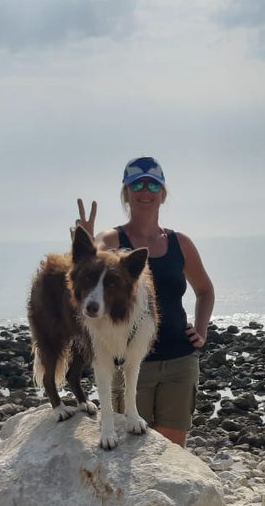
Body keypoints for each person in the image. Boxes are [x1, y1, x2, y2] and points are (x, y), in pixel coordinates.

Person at [74, 155, 214, 447]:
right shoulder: (111, 239)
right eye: (137, 184)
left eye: (153, 185)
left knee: (173, 451)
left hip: (179, 361)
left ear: (163, 194)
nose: (145, 191)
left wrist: (201, 330)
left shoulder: (180, 243)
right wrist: (85, 239)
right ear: (126, 193)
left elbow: (205, 291)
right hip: (128, 363)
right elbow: (85, 269)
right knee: (126, 450)